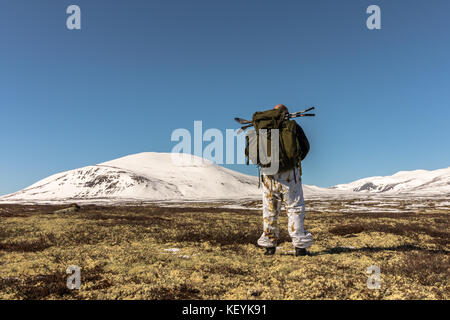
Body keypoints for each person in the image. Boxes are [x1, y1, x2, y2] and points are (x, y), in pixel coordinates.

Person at [257, 104, 314, 256]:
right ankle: (300, 247)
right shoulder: (292, 126)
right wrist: (293, 161)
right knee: (294, 208)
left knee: (270, 210)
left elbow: (251, 151)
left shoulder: (263, 127)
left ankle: (269, 247)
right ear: (286, 113)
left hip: (268, 175)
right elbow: (305, 147)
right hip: (290, 174)